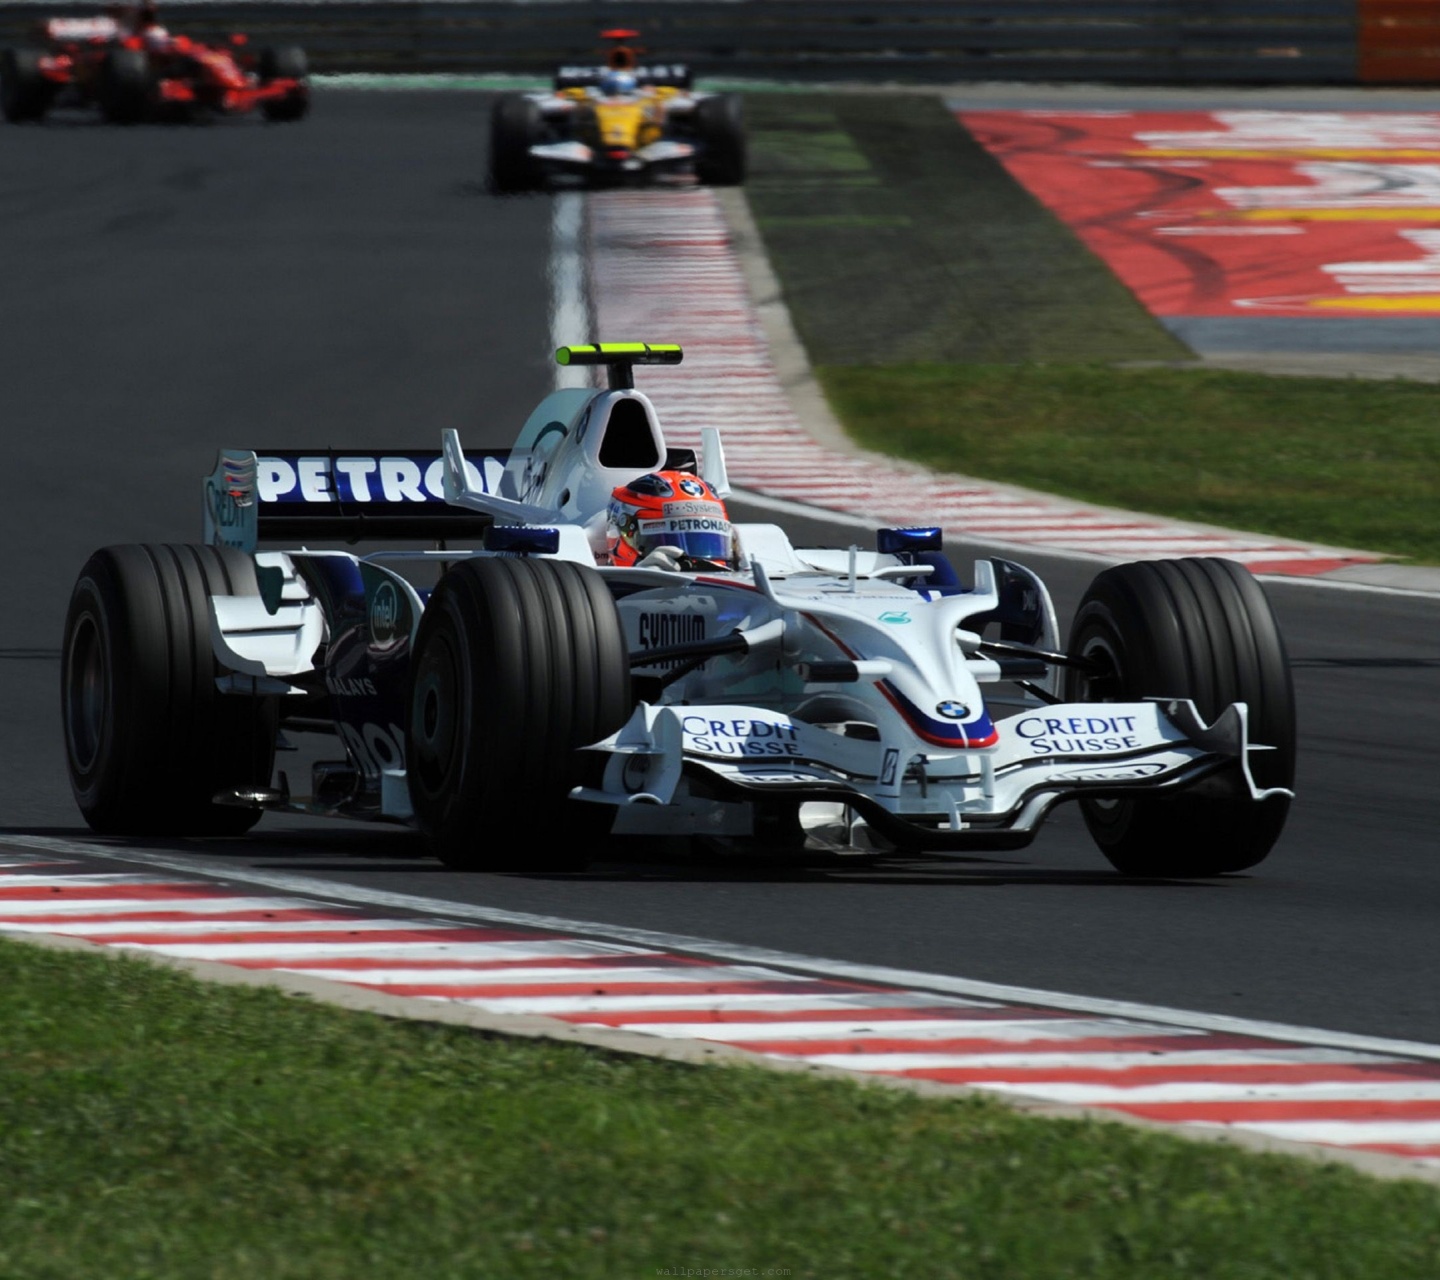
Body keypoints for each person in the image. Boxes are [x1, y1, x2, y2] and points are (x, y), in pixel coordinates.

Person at [605, 471, 736, 570]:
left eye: (708, 542)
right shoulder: (594, 595)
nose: (691, 564)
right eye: (666, 540)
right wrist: (638, 582)